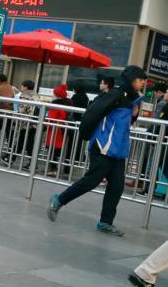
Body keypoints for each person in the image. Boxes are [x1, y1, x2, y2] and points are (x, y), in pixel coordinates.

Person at [48, 66, 147, 236]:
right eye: (140, 79)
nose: (143, 83)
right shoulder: (115, 94)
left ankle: (105, 222)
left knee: (116, 187)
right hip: (102, 147)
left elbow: (123, 123)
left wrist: (135, 115)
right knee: (91, 181)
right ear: (131, 79)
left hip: (118, 149)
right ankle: (59, 200)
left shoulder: (132, 99)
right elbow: (92, 113)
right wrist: (86, 135)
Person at [44, 84, 71, 175]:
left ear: (58, 96)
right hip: (60, 130)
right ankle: (54, 169)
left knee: (52, 150)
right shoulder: (65, 105)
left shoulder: (55, 106)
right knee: (56, 151)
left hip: (54, 131)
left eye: (54, 94)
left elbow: (51, 119)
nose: (52, 96)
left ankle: (53, 169)